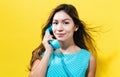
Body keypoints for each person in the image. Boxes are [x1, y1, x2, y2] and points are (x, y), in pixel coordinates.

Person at [28, 3, 96, 77]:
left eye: (66, 23)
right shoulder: (43, 54)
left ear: (75, 27)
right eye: (55, 23)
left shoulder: (88, 58)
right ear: (50, 28)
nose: (59, 28)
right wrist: (48, 51)